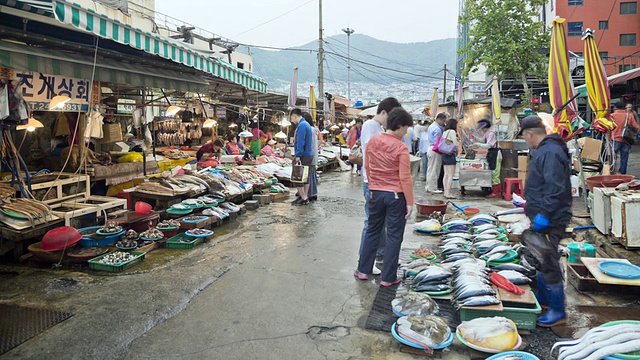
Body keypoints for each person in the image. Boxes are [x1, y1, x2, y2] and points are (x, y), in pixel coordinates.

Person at [519, 115, 572, 327]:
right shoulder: (545, 149)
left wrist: (545, 214)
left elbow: (555, 187)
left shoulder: (550, 151)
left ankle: (558, 310)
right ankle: (545, 299)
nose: (525, 141)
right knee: (540, 256)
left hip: (551, 218)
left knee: (548, 260)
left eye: (524, 137)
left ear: (530, 134)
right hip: (542, 214)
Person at [354, 108, 414, 286]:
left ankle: (363, 270)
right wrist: (410, 202)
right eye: (406, 129)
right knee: (394, 236)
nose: (406, 133)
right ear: (400, 126)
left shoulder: (373, 142)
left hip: (375, 193)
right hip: (395, 196)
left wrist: (372, 186)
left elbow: (367, 166)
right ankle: (388, 277)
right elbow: (405, 177)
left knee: (373, 231)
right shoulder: (400, 147)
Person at [358, 97, 403, 275]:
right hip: (373, 182)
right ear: (383, 112)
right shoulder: (370, 125)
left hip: (379, 182)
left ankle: (382, 256)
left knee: (380, 223)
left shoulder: (378, 128)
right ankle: (364, 262)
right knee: (372, 224)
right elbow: (373, 152)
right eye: (390, 117)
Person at [290, 108, 314, 206]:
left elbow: (300, 142)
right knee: (305, 176)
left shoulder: (301, 126)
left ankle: (304, 198)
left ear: (295, 116)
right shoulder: (306, 124)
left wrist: (298, 155)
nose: (292, 121)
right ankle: (303, 196)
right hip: (308, 154)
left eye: (292, 118)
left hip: (303, 155)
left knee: (297, 176)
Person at [474, 117, 502, 198]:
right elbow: (483, 141)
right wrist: (475, 139)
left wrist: (477, 144)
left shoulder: (491, 133)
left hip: (496, 153)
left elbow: (489, 145)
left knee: (495, 174)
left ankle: (496, 193)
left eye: (482, 128)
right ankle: (494, 191)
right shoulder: (487, 133)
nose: (482, 130)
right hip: (492, 154)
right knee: (493, 172)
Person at [612, 102, 639, 174]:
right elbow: (636, 126)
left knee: (612, 156)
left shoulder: (612, 116)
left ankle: (611, 171)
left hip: (615, 139)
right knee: (624, 157)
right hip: (626, 139)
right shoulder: (629, 115)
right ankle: (622, 172)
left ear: (615, 107)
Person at [426, 113, 447, 193]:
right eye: (443, 121)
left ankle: (428, 186)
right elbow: (438, 142)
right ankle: (433, 188)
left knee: (430, 169)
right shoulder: (437, 129)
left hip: (431, 148)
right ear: (439, 119)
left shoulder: (432, 126)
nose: (443, 123)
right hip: (435, 150)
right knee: (435, 169)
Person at [441, 119, 459, 199]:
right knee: (451, 175)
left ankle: (445, 192)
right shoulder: (452, 132)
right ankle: (448, 193)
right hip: (450, 154)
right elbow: (455, 144)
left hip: (444, 154)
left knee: (446, 174)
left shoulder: (445, 131)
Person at [308, 117, 321, 201]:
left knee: (310, 175)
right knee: (312, 175)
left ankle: (311, 193)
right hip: (313, 155)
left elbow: (311, 143)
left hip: (310, 155)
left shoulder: (311, 130)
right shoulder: (315, 130)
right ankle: (313, 193)